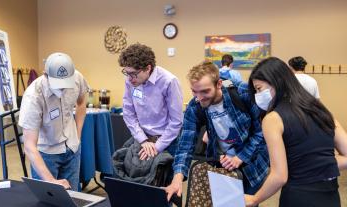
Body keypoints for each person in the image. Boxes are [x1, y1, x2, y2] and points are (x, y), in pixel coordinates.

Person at [245, 57, 347, 207]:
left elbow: (279, 176)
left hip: (299, 196)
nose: (257, 96)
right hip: (331, 196)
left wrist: (254, 199)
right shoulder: (322, 111)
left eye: (259, 89)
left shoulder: (273, 119)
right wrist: (320, 163)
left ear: (276, 82)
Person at [165, 61, 269, 200]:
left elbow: (262, 132)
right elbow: (185, 145)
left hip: (253, 165)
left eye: (205, 91)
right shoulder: (195, 107)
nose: (199, 97)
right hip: (222, 167)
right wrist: (177, 178)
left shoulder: (242, 92)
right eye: (194, 91)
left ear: (219, 84)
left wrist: (240, 157)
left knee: (248, 202)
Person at [19, 52, 88, 190]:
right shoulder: (33, 96)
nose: (62, 89)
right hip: (46, 153)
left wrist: (78, 135)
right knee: (49, 198)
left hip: (72, 147)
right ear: (45, 75)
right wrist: (50, 180)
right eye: (58, 84)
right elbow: (29, 146)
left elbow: (81, 103)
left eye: (65, 84)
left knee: (73, 197)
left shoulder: (77, 78)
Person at [118, 43, 183, 160]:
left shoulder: (169, 81)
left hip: (167, 141)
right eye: (126, 73)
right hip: (142, 138)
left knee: (163, 176)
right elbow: (128, 112)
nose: (129, 78)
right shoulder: (130, 80)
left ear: (148, 68)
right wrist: (143, 140)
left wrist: (157, 147)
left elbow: (176, 121)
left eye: (133, 74)